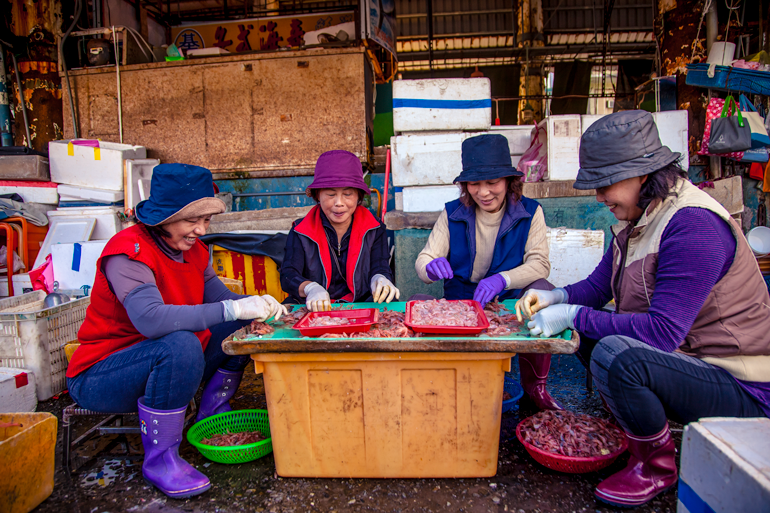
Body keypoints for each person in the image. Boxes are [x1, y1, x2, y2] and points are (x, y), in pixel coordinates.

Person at [518, 110, 770, 508]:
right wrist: (556, 297)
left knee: (616, 353)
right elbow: (598, 288)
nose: (600, 198)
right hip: (689, 363)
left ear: (644, 175)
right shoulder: (640, 219)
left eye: (606, 185)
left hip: (741, 384)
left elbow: (662, 333)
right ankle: (634, 425)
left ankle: (655, 465)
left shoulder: (693, 225)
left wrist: (570, 316)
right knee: (586, 333)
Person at [66, 164, 287, 499]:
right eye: (190, 219)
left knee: (240, 325)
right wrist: (236, 309)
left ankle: (213, 411)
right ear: (164, 216)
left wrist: (258, 306)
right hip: (103, 374)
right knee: (180, 344)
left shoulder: (193, 250)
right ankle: (161, 460)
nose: (200, 229)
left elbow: (222, 302)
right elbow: (151, 321)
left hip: (162, 360)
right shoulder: (128, 252)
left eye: (206, 220)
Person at [414, 133, 560, 410]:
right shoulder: (452, 213)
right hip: (463, 302)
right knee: (417, 301)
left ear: (509, 181)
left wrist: (502, 279)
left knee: (544, 291)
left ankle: (535, 388)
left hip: (509, 301)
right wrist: (430, 268)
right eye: (474, 183)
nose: (483, 192)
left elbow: (540, 263)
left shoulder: (530, 212)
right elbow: (424, 259)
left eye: (492, 182)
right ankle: (439, 386)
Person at [281, 150, 399, 310]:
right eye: (330, 194)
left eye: (347, 194)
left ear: (358, 196)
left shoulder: (375, 228)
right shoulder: (301, 230)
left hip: (362, 305)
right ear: (317, 195)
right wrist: (310, 288)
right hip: (314, 307)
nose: (339, 203)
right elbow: (288, 275)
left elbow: (380, 265)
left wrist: (380, 278)